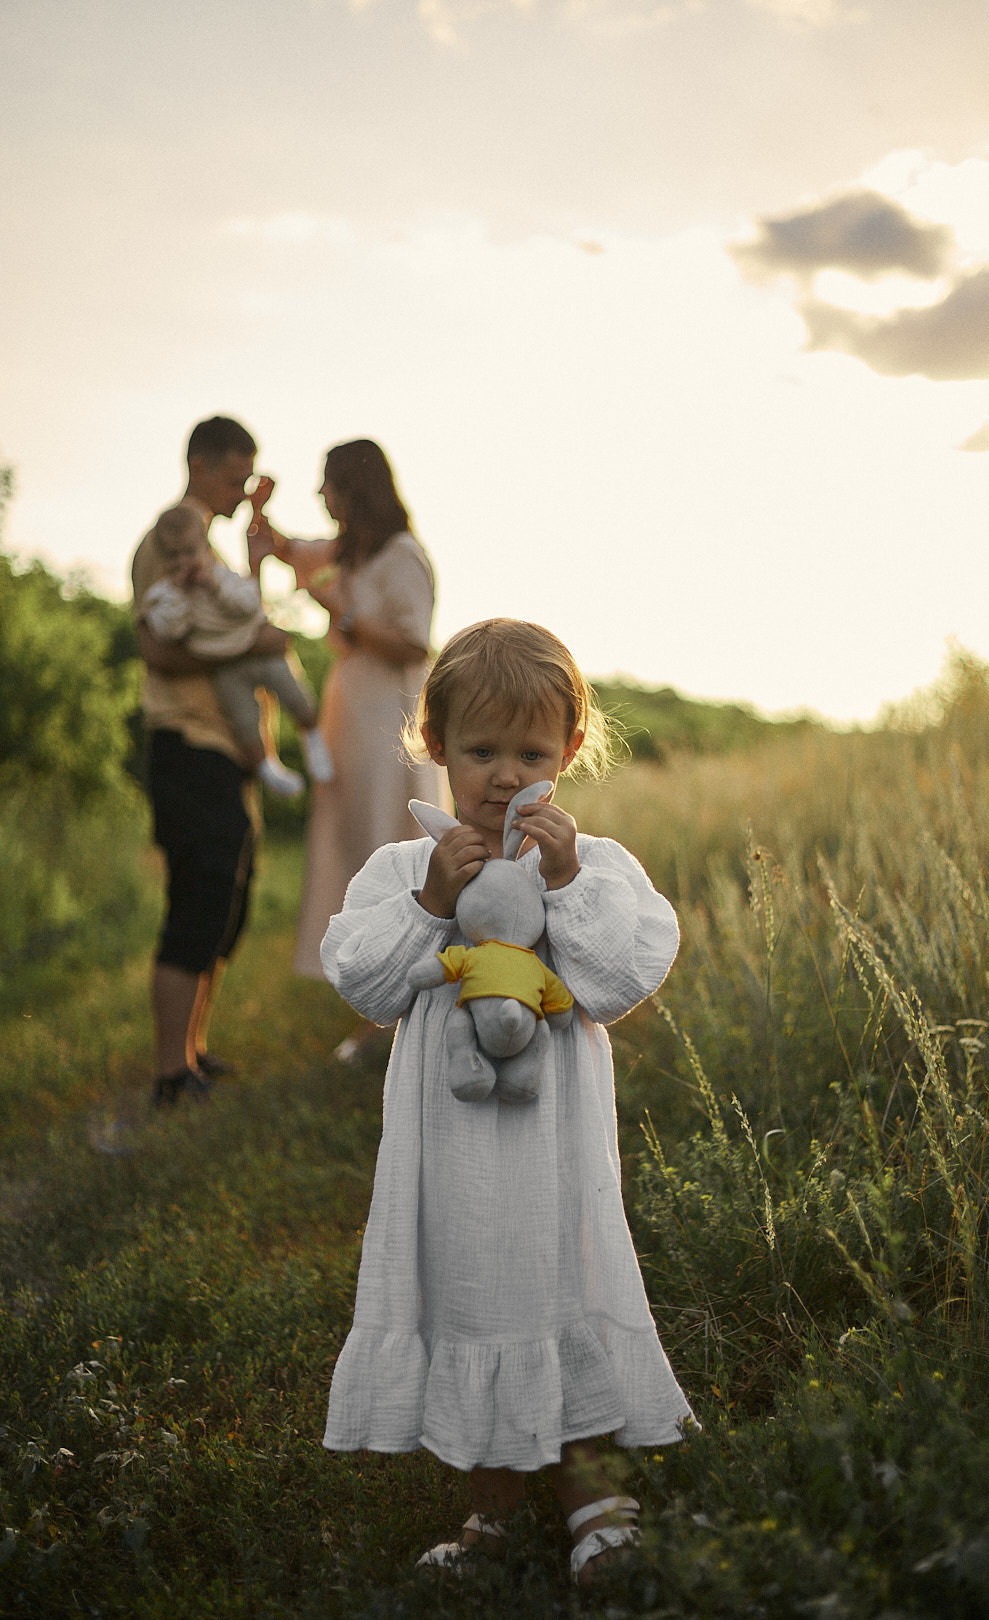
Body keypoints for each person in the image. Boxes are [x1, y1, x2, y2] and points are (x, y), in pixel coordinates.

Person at [318, 619, 693, 1583]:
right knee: (469, 1299)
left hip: (555, 1154)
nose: (501, 775)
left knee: (563, 1289)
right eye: (479, 750)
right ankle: (491, 1510)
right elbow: (364, 984)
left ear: (569, 752)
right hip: (448, 1158)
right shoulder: (406, 867)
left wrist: (564, 885)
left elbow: (617, 979)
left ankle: (592, 1495)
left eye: (530, 752)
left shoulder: (591, 864)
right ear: (433, 743)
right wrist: (431, 909)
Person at [254, 439, 443, 1040]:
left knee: (391, 848)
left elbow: (415, 645)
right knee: (357, 850)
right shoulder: (352, 553)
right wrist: (259, 509)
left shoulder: (401, 556)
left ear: (354, 489)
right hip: (350, 719)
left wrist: (344, 612)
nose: (320, 497)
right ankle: (377, 1006)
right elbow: (286, 551)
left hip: (389, 724)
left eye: (327, 485)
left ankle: (403, 1010)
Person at [131, 415, 281, 1106]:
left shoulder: (211, 548)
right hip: (186, 743)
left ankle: (192, 1050)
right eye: (233, 476)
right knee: (196, 900)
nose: (240, 488)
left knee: (226, 900)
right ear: (198, 464)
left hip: (223, 748)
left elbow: (239, 621)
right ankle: (169, 1073)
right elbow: (159, 650)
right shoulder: (169, 540)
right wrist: (250, 653)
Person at [141, 502, 334, 798]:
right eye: (174, 557)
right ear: (163, 560)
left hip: (259, 651)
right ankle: (266, 768)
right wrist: (179, 593)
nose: (185, 563)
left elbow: (249, 605)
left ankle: (312, 735)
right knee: (245, 719)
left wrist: (215, 587)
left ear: (206, 549)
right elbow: (169, 631)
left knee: (294, 694)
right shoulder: (164, 595)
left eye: (191, 553)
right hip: (224, 666)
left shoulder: (222, 578)